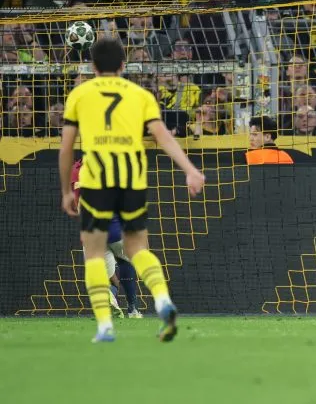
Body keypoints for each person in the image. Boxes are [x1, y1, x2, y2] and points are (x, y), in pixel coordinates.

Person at [59, 38, 206, 343]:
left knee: (95, 254)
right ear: (124, 66)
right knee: (138, 248)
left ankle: (104, 326)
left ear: (92, 67)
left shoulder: (80, 94)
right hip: (133, 177)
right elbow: (163, 136)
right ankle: (162, 299)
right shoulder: (141, 95)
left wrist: (66, 191)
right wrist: (190, 170)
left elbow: (66, 147)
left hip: (97, 177)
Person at [71, 159, 142, 319]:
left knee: (103, 274)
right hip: (116, 229)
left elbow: (78, 202)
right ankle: (133, 309)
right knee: (126, 262)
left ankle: (109, 295)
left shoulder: (76, 169)